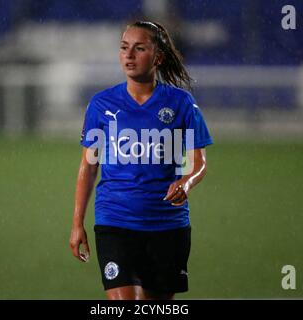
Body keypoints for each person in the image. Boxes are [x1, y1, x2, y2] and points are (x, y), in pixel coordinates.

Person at [69, 21, 213, 300]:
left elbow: (200, 162)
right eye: (124, 48)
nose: (129, 55)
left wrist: (187, 182)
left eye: (139, 48)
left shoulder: (181, 104)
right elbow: (89, 165)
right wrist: (77, 223)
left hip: (167, 225)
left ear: (157, 57)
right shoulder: (101, 105)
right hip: (115, 222)